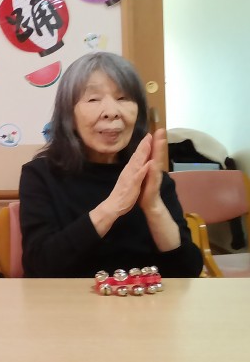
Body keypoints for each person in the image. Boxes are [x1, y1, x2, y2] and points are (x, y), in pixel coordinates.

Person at [19, 52, 203, 278]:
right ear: (69, 115)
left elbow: (188, 272)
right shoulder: (40, 175)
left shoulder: (151, 178)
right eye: (93, 99)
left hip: (143, 300)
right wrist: (113, 206)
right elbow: (39, 268)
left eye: (123, 98)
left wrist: (154, 207)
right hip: (66, 301)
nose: (111, 112)